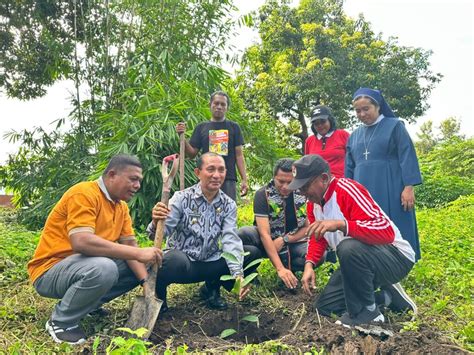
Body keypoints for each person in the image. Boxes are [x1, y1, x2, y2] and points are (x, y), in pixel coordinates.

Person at [27, 155, 163, 345]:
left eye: (139, 181)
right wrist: (138, 253)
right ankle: (61, 322)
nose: (137, 185)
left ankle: (87, 305)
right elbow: (81, 242)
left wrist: (145, 283)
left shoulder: (121, 207)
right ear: (112, 175)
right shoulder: (84, 193)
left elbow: (129, 246)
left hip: (84, 268)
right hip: (50, 271)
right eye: (133, 179)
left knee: (142, 265)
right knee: (105, 267)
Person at [289, 154, 417, 327]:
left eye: (305, 186)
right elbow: (317, 236)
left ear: (324, 178)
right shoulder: (314, 204)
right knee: (325, 306)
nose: (302, 193)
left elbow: (385, 231)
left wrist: (341, 225)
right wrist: (309, 264)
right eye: (299, 188)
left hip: (395, 257)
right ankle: (387, 297)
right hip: (358, 263)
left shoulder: (346, 190)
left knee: (348, 246)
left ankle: (369, 313)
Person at [147, 152, 260, 312]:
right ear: (198, 172)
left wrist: (237, 274)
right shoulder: (181, 198)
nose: (216, 175)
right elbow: (158, 235)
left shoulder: (228, 205)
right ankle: (159, 299)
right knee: (169, 259)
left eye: (221, 170)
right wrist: (155, 222)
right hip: (185, 264)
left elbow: (230, 238)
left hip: (210, 263)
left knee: (251, 253)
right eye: (211, 169)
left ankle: (211, 289)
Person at [345, 87, 422, 260]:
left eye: (366, 109)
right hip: (362, 190)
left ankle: (401, 261)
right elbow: (349, 167)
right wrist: (347, 195)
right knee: (367, 225)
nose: (362, 114)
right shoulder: (354, 136)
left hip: (391, 186)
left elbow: (407, 155)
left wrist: (408, 187)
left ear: (378, 106)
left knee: (395, 223)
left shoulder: (394, 126)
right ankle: (372, 261)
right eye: (358, 111)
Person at [237, 158, 309, 290]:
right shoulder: (262, 194)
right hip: (267, 240)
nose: (286, 186)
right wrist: (279, 268)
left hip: (293, 240)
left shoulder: (303, 193)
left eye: (290, 182)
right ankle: (251, 272)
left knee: (316, 255)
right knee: (242, 234)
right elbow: (264, 234)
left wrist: (285, 239)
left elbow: (307, 228)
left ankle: (291, 271)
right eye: (281, 181)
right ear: (274, 177)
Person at [176, 91, 248, 201]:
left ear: (227, 108)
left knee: (226, 211)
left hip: (227, 179)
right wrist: (182, 137)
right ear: (210, 105)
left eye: (223, 104)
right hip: (206, 177)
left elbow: (239, 156)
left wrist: (244, 179)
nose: (219, 107)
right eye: (216, 103)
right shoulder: (201, 128)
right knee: (203, 210)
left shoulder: (234, 127)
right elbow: (191, 154)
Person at [305, 105, 349, 262]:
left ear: (330, 120)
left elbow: (352, 161)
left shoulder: (342, 135)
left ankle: (349, 254)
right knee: (319, 222)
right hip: (319, 189)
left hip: (340, 186)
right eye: (316, 123)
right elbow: (308, 165)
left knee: (342, 223)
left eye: (323, 121)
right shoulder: (310, 141)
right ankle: (329, 256)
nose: (320, 126)